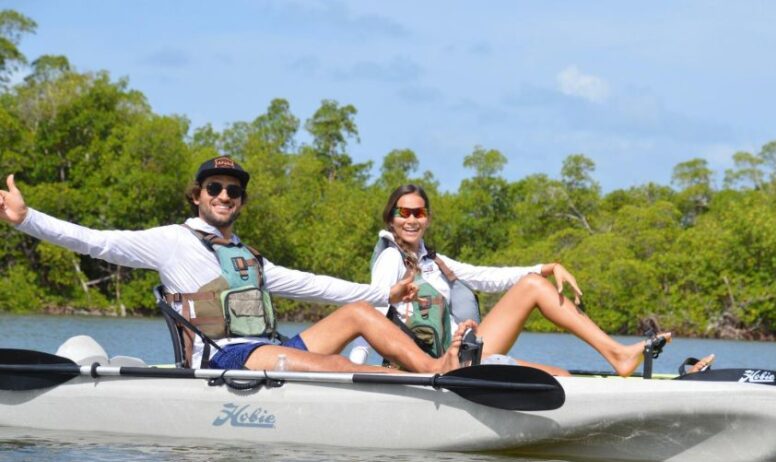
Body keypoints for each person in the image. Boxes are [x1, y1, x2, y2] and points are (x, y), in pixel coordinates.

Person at [0, 158, 473, 373]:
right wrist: (27, 219)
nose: (224, 196)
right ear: (197, 195)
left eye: (234, 191)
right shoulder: (171, 242)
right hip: (223, 356)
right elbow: (95, 241)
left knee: (357, 314)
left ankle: (438, 370)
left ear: (241, 202)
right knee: (327, 364)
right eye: (215, 188)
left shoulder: (248, 255)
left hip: (265, 346)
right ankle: (419, 382)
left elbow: (315, 285)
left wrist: (383, 296)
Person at [369, 184, 714, 377]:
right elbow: (373, 314)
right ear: (392, 217)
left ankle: (619, 356)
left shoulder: (437, 262)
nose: (412, 219)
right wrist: (357, 369)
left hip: (462, 359)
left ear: (428, 218)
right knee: (555, 367)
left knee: (558, 369)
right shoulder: (389, 259)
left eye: (420, 212)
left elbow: (490, 277)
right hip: (427, 368)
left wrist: (547, 266)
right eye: (405, 212)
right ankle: (619, 356)